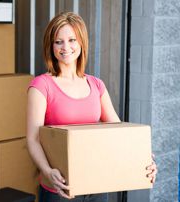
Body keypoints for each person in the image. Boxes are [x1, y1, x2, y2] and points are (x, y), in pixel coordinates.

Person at [26, 12, 157, 202]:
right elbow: (33, 139)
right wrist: (47, 171)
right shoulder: (41, 86)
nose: (66, 47)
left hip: (96, 186)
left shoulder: (96, 85)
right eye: (58, 41)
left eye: (72, 40)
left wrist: (145, 160)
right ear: (50, 45)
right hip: (61, 189)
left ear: (81, 43)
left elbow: (120, 134)